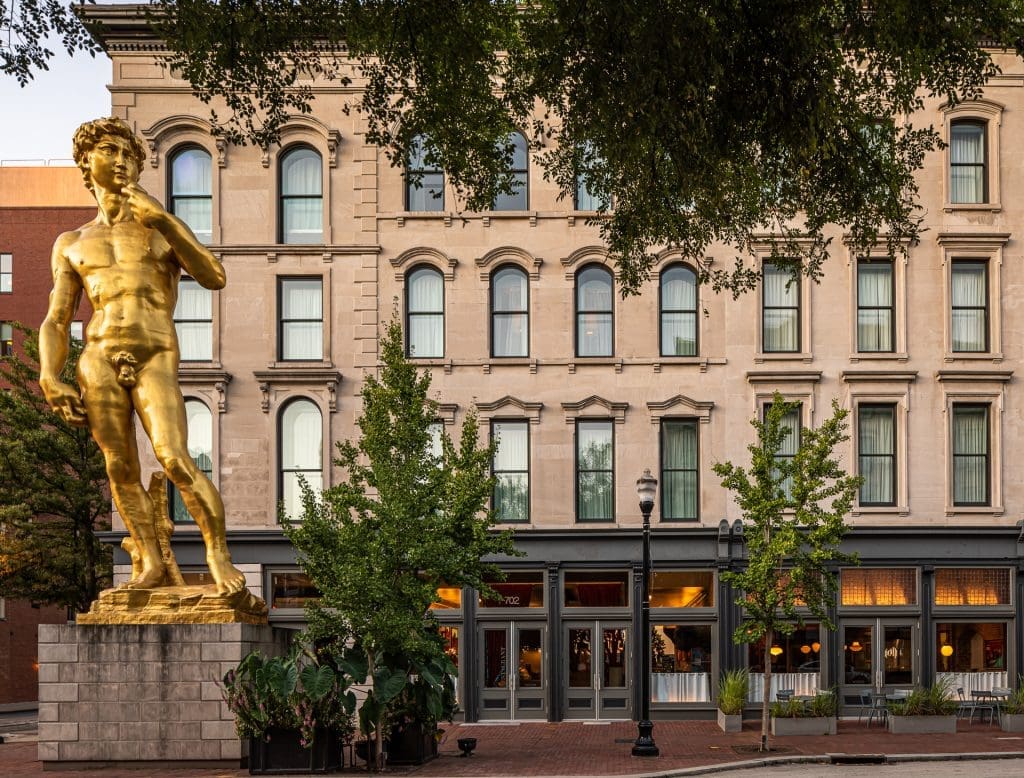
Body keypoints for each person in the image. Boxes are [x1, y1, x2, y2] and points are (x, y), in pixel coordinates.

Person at [39, 117, 245, 596]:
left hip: (153, 351)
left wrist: (165, 221)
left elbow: (215, 276)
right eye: (109, 151)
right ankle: (149, 560)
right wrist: (51, 374)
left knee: (174, 458)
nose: (122, 160)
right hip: (98, 355)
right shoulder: (71, 243)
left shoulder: (157, 227)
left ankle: (217, 556)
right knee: (119, 466)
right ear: (86, 164)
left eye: (129, 154)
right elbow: (56, 317)